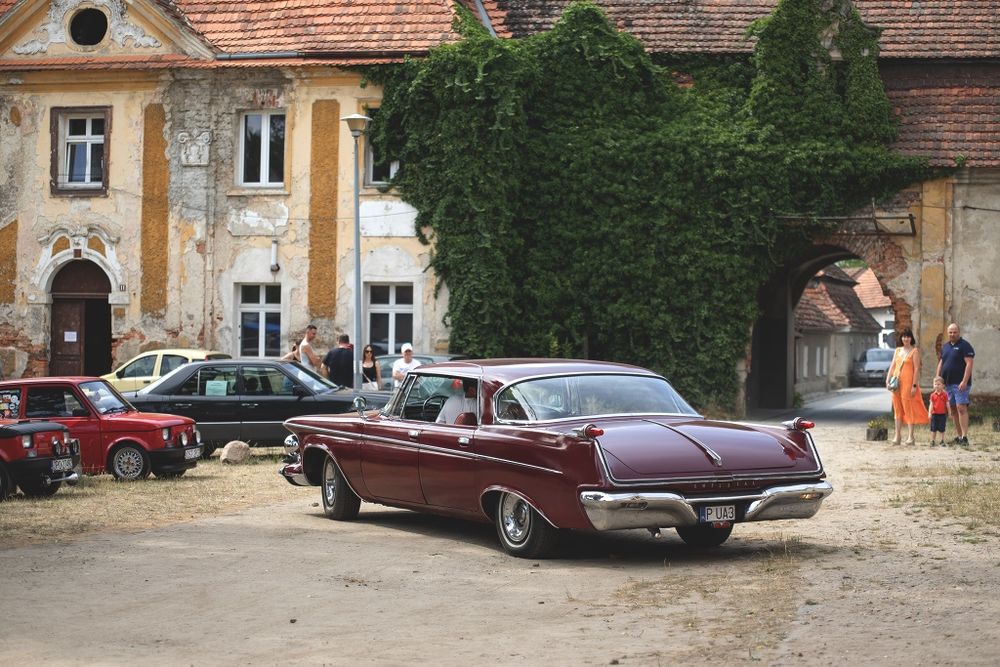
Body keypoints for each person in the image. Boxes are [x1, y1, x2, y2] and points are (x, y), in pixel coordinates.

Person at [886, 327, 928, 445]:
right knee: (897, 409)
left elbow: (916, 370)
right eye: (904, 336)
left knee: (908, 408)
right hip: (896, 383)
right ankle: (897, 435)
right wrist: (887, 380)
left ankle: (911, 437)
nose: (906, 338)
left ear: (911, 338)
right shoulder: (898, 350)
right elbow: (892, 366)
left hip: (908, 384)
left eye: (908, 336)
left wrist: (914, 385)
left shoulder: (914, 351)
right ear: (901, 338)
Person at [935, 322, 975, 446]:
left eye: (954, 332)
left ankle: (965, 437)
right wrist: (938, 379)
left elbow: (969, 364)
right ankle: (959, 436)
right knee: (952, 410)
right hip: (947, 384)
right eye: (950, 332)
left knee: (961, 408)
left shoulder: (965, 346)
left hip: (960, 384)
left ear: (959, 332)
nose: (952, 334)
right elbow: (941, 363)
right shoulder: (945, 347)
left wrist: (964, 381)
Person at [927, 376, 949, 447]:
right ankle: (933, 441)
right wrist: (929, 413)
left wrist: (950, 412)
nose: (937, 386)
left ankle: (942, 441)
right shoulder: (932, 395)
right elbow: (931, 404)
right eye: (935, 384)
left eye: (939, 384)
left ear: (943, 386)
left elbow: (947, 404)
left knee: (942, 428)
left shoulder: (945, 394)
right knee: (933, 428)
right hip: (934, 414)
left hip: (942, 414)